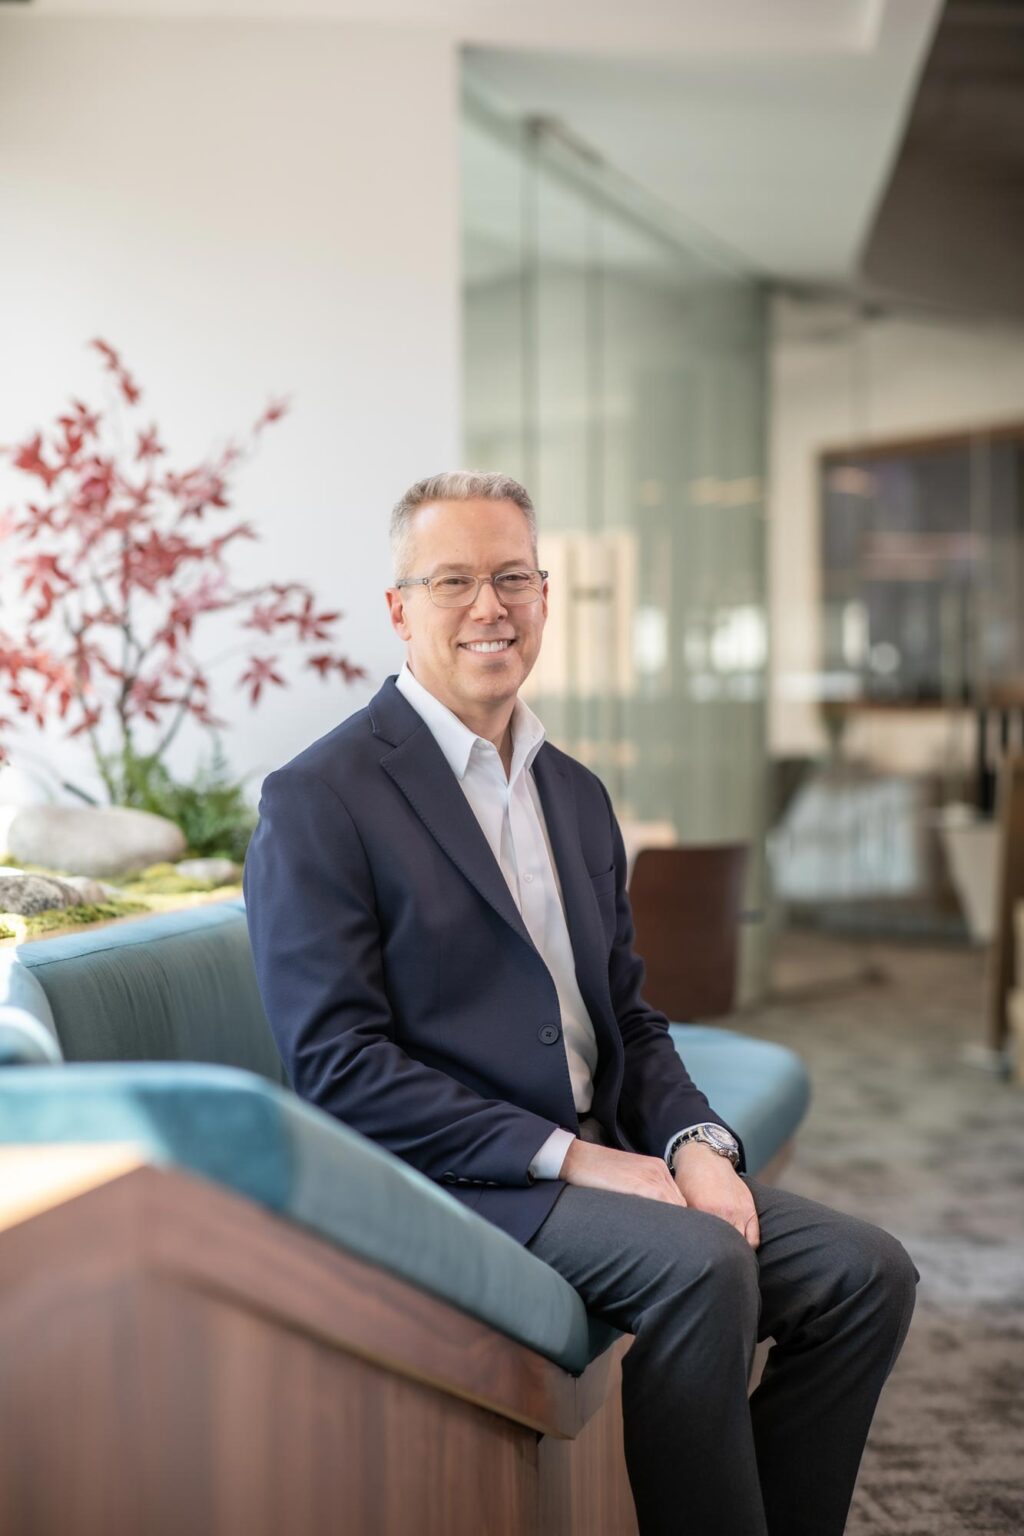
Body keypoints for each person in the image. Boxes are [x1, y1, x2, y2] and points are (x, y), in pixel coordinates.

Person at [243, 470, 918, 1536]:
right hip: (448, 1180)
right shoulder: (318, 800)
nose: (489, 607)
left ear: (545, 596)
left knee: (863, 1272)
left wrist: (695, 1142)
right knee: (702, 1267)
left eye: (512, 577)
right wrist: (585, 1161)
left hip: (602, 1157)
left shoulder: (573, 793)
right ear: (398, 609)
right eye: (453, 580)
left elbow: (630, 1021)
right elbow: (336, 1069)